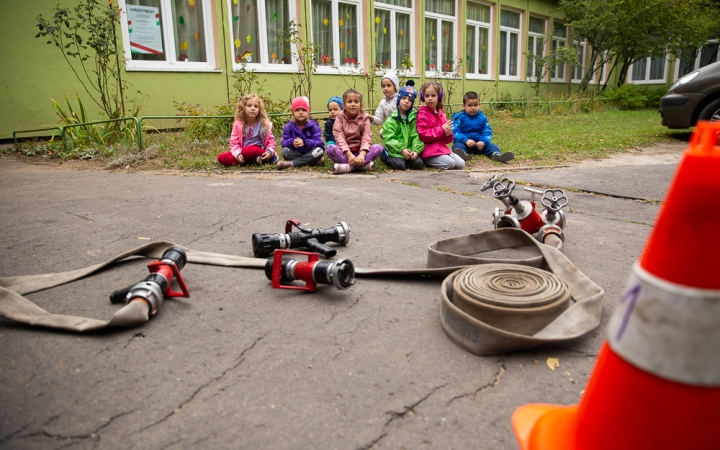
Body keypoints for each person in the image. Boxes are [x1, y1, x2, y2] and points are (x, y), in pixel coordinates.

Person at [326, 89, 383, 174]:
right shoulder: (339, 117)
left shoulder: (364, 118)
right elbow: (339, 136)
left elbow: (366, 136)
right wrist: (349, 155)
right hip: (345, 152)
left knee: (378, 148)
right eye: (349, 101)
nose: (353, 104)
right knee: (330, 148)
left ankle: (348, 167)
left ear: (360, 104)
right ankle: (362, 166)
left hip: (360, 152)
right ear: (344, 105)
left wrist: (362, 154)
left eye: (356, 101)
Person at [452, 91, 514, 163]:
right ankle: (462, 155)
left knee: (492, 146)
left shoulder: (482, 117)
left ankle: (497, 155)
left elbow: (487, 131)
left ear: (479, 105)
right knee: (457, 146)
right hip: (464, 143)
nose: (473, 108)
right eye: (469, 105)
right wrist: (465, 140)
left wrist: (483, 142)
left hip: (479, 144)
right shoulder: (459, 117)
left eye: (475, 105)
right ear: (463, 106)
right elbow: (455, 132)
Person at [217, 93, 277, 166]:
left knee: (248, 150)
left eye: (256, 106)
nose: (253, 108)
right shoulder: (238, 124)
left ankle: (269, 157)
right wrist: (238, 155)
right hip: (243, 152)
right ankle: (253, 160)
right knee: (221, 157)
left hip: (258, 150)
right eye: (249, 105)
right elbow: (234, 143)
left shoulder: (263, 124)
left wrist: (269, 152)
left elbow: (271, 142)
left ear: (259, 109)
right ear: (243, 108)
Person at [416, 81, 464, 170]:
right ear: (423, 97)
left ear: (439, 96)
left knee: (461, 164)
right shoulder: (422, 113)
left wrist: (448, 134)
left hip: (441, 148)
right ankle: (427, 161)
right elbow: (422, 135)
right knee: (451, 163)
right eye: (427, 96)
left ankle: (444, 158)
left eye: (433, 95)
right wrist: (441, 130)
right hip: (429, 151)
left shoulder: (442, 115)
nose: (430, 98)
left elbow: (447, 140)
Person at [381, 80, 423, 170]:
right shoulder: (392, 119)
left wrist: (415, 150)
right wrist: (401, 149)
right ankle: (385, 156)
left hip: (410, 150)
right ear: (399, 100)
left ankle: (408, 158)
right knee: (400, 165)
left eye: (409, 100)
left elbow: (416, 136)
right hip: (396, 150)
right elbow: (390, 138)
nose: (406, 101)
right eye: (404, 98)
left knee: (418, 164)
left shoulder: (413, 119)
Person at [277, 96, 325, 169]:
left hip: (310, 151)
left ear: (308, 112)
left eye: (303, 110)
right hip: (296, 152)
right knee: (285, 151)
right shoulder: (288, 127)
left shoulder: (313, 126)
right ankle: (313, 161)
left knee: (319, 151)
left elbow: (319, 143)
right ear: (293, 113)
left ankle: (292, 163)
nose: (300, 112)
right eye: (297, 110)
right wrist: (292, 142)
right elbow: (284, 142)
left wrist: (305, 142)